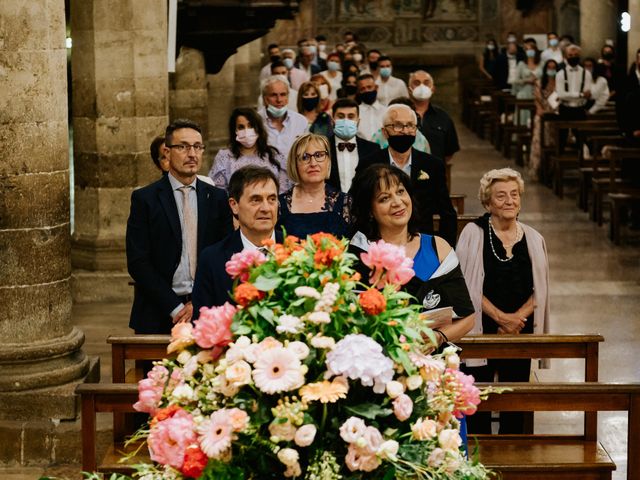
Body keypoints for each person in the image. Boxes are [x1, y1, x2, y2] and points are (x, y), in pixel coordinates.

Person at [456, 168, 549, 434]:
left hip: (520, 333)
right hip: (481, 330)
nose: (510, 201)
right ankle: (478, 461)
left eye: (514, 195)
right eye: (501, 196)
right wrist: (500, 318)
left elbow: (541, 288)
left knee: (515, 403)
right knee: (478, 405)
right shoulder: (472, 234)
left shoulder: (533, 237)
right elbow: (465, 285)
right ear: (487, 203)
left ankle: (514, 458)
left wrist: (516, 319)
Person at [126, 119, 233, 334]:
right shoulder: (145, 199)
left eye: (197, 147)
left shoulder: (217, 197)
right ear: (167, 152)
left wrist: (197, 302)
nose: (192, 153)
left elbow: (225, 254)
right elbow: (138, 261)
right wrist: (175, 308)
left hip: (207, 309)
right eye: (183, 147)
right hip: (158, 310)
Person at [349, 163, 475, 346]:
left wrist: (438, 338)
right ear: (369, 210)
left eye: (400, 192)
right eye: (384, 198)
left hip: (431, 361)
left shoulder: (438, 248)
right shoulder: (360, 255)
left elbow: (467, 317)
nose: (397, 202)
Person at [356, 104, 457, 246]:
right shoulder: (369, 164)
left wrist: (444, 249)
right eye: (398, 126)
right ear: (385, 132)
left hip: (422, 242)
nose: (405, 131)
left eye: (410, 126)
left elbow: (447, 213)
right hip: (380, 244)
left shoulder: (432, 165)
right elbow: (358, 206)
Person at [192, 166, 283, 315]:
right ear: (234, 205)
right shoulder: (212, 259)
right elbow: (201, 323)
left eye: (272, 199)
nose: (266, 208)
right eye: (256, 200)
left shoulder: (298, 251)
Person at [277, 133, 352, 239]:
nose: (313, 163)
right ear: (294, 164)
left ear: (328, 160)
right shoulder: (279, 204)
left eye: (319, 155)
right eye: (305, 157)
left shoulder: (345, 202)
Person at [208, 107, 291, 192]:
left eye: (251, 126)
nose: (246, 130)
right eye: (241, 127)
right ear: (234, 130)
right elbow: (218, 190)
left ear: (258, 128)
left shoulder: (274, 156)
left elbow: (284, 189)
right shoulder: (224, 157)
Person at [327, 98, 381, 192]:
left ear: (358, 121)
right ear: (332, 120)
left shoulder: (373, 149)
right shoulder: (322, 147)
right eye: (341, 116)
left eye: (351, 116)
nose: (346, 120)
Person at [408, 70, 460, 164]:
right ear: (409, 89)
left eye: (426, 83)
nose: (421, 86)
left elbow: (449, 152)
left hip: (435, 171)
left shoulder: (443, 117)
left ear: (433, 89)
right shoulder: (401, 115)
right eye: (417, 83)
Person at [259, 75, 308, 159]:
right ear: (264, 98)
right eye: (273, 95)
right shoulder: (255, 121)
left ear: (288, 97)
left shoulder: (301, 121)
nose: (279, 100)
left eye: (283, 94)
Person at [555, 45, 593, 151]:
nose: (573, 57)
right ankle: (560, 162)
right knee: (562, 137)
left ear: (579, 56)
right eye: (570, 55)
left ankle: (581, 162)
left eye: (575, 55)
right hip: (565, 109)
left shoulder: (586, 74)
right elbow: (561, 94)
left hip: (580, 109)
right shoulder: (560, 74)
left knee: (582, 137)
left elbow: (587, 94)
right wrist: (579, 95)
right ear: (566, 57)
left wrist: (574, 95)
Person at [530, 60, 560, 179]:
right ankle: (538, 169)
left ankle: (552, 170)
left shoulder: (560, 83)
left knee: (553, 142)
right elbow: (536, 99)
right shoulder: (539, 82)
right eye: (549, 67)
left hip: (555, 115)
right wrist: (540, 109)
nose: (551, 69)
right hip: (542, 114)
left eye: (554, 67)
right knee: (539, 140)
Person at [355, 73, 385, 141]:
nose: (366, 90)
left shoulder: (386, 111)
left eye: (369, 87)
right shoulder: (355, 112)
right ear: (359, 91)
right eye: (362, 88)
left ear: (376, 87)